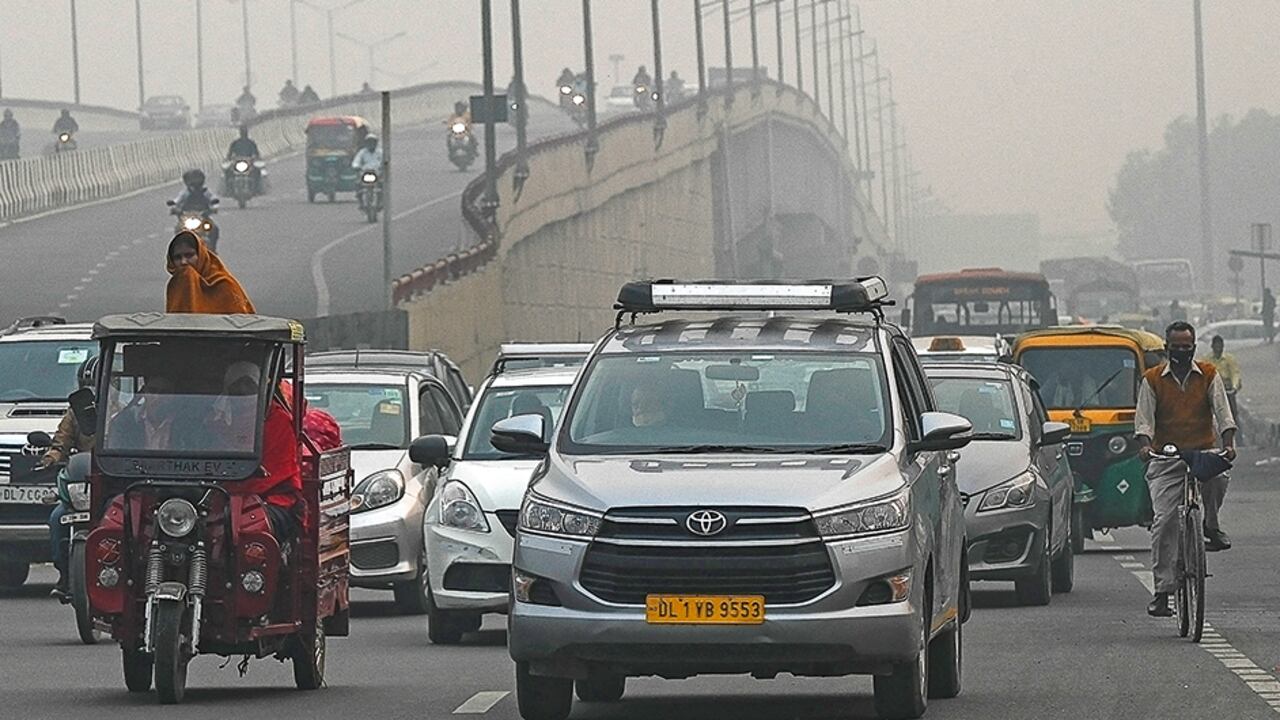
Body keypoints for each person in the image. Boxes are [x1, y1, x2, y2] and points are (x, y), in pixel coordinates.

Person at [1135, 321, 1237, 617]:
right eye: (1176, 347)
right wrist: (1145, 446)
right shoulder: (1152, 379)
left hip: (1203, 452)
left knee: (1219, 476)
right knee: (1164, 521)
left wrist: (1228, 444)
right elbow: (1144, 421)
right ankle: (1163, 592)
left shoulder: (1208, 375)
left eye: (1187, 347)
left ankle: (1210, 525)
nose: (1182, 351)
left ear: (1194, 347)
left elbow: (1223, 413)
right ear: (1167, 348)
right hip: (1167, 457)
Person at [211, 361, 302, 541]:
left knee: (252, 529)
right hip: (218, 498)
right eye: (237, 387)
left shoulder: (277, 421)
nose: (243, 392)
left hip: (271, 498)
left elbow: (277, 471)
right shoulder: (215, 422)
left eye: (249, 385)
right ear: (228, 390)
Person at [41, 356, 98, 598]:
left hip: (113, 479)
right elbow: (60, 442)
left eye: (96, 383)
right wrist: (51, 457)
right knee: (57, 518)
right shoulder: (75, 414)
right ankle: (65, 575)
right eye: (87, 384)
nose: (92, 389)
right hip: (81, 482)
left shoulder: (124, 411)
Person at [165, 231, 256, 314]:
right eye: (177, 257)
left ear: (201, 255)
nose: (183, 262)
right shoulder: (176, 285)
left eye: (189, 255)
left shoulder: (223, 284)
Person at [1204, 334, 1243, 439]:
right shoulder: (1207, 359)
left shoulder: (1229, 359)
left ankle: (1239, 438)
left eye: (1220, 346)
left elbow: (1235, 373)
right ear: (1212, 347)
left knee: (1233, 414)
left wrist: (1234, 388)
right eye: (1216, 346)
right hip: (1213, 389)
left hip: (1227, 389)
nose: (1218, 348)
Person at [225, 125, 262, 191]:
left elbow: (256, 153)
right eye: (243, 132)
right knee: (228, 172)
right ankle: (228, 188)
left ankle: (257, 188)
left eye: (244, 132)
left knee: (257, 172)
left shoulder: (251, 143)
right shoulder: (235, 143)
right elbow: (230, 154)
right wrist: (229, 158)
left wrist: (255, 158)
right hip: (237, 162)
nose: (244, 133)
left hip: (249, 162)